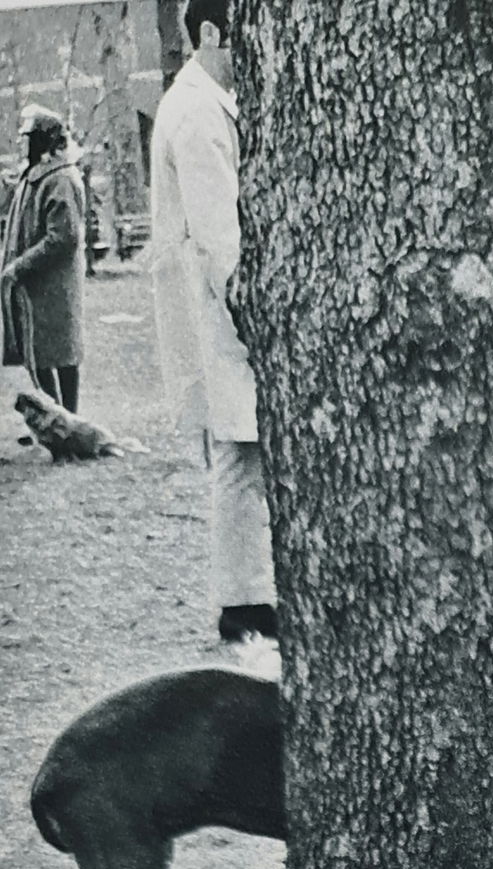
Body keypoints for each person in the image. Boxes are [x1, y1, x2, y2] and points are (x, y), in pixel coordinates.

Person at [149, 0, 276, 643]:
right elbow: (218, 231)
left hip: (209, 300)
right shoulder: (197, 110)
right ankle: (243, 601)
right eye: (238, 42)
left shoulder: (198, 99)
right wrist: (250, 310)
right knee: (239, 451)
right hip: (217, 301)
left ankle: (251, 591)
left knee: (242, 448)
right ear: (208, 34)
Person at [1, 107, 86, 413]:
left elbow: (63, 238)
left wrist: (21, 265)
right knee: (43, 356)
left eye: (31, 139)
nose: (25, 146)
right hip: (39, 289)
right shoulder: (35, 176)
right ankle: (57, 419)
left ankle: (69, 421)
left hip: (55, 288)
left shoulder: (60, 178)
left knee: (62, 357)